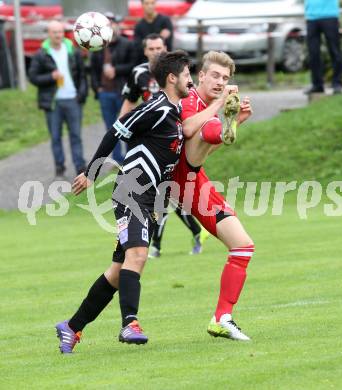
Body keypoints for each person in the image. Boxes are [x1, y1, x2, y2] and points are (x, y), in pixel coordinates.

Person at [55, 50, 192, 353]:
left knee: (119, 270)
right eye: (186, 74)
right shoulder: (156, 107)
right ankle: (129, 323)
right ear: (172, 78)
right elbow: (115, 131)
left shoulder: (177, 112)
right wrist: (91, 173)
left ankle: (71, 327)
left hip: (151, 198)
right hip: (131, 190)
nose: (190, 79)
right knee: (138, 256)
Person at [172, 51, 255, 341]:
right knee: (130, 260)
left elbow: (203, 149)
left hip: (195, 179)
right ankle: (222, 317)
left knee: (243, 246)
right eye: (215, 76)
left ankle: (222, 318)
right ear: (201, 76)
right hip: (183, 183)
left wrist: (235, 124)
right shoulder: (189, 102)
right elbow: (189, 128)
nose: (220, 82)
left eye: (226, 78)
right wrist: (222, 110)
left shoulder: (204, 105)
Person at [121, 33, 207, 257]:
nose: (156, 52)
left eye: (159, 47)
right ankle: (189, 234)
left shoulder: (176, 73)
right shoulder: (139, 73)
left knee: (166, 194)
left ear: (165, 48)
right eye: (151, 49)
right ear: (145, 51)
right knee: (166, 195)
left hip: (174, 139)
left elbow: (192, 96)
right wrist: (125, 133)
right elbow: (128, 104)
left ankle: (157, 245)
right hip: (151, 142)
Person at [29, 20, 88, 177]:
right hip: (53, 103)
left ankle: (80, 166)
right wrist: (51, 76)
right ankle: (59, 166)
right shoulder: (41, 54)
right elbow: (33, 77)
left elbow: (82, 75)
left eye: (60, 32)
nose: (58, 35)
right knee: (56, 137)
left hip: (73, 99)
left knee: (76, 135)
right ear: (49, 34)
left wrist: (81, 94)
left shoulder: (72, 51)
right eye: (54, 32)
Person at [90, 12, 135, 164]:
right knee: (111, 129)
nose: (110, 27)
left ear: (117, 25)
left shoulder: (127, 44)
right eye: (106, 25)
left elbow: (133, 66)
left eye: (112, 24)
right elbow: (93, 70)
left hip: (122, 92)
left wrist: (117, 70)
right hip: (105, 93)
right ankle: (117, 159)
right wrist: (97, 88)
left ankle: (130, 158)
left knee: (127, 125)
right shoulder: (97, 46)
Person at [304, 0, 342, 95]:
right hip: (311, 17)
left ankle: (337, 84)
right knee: (313, 53)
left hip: (330, 15)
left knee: (335, 52)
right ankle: (317, 85)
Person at [133, 0, 174, 64]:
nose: (150, 6)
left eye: (152, 3)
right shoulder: (139, 25)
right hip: (145, 61)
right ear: (142, 4)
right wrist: (160, 37)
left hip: (164, 61)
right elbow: (138, 46)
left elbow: (168, 44)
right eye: (147, 3)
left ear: (156, 4)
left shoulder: (165, 21)